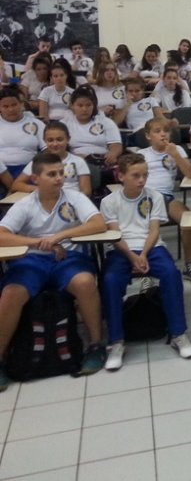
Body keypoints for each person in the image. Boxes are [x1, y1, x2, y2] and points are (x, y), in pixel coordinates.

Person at [0, 152, 109, 388]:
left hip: (67, 258)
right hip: (32, 261)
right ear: (36, 179)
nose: (59, 178)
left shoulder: (74, 197)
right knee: (11, 293)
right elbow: (2, 235)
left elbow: (98, 223)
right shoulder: (25, 204)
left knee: (85, 283)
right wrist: (36, 243)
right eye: (52, 174)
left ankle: (96, 346)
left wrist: (60, 236)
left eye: (61, 173)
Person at [100, 153, 191, 370]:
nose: (142, 180)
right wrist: (132, 256)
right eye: (135, 175)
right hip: (121, 249)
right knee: (110, 279)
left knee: (171, 274)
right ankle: (116, 341)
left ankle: (178, 334)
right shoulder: (109, 201)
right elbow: (115, 235)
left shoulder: (155, 196)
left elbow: (154, 230)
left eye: (145, 175)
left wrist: (143, 254)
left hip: (151, 247)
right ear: (121, 176)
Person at [138, 118, 191, 285]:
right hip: (146, 197)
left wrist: (175, 155)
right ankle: (146, 271)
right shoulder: (142, 154)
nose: (163, 134)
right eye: (157, 131)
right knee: (145, 227)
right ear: (148, 136)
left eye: (166, 130)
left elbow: (190, 174)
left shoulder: (177, 149)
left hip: (167, 197)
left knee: (188, 219)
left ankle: (189, 264)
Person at [63, 85, 123, 189]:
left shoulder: (106, 122)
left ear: (94, 106)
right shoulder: (64, 124)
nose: (84, 109)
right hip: (76, 160)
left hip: (102, 160)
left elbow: (116, 144)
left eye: (88, 105)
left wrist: (113, 154)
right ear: (72, 106)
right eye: (80, 105)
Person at [11, 121, 90, 196]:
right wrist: (40, 190)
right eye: (50, 140)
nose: (55, 144)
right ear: (44, 141)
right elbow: (16, 185)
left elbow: (86, 191)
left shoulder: (78, 161)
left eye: (59, 139)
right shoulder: (38, 161)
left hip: (71, 203)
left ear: (68, 139)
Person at [0, 86, 46, 179]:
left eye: (14, 105)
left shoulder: (36, 124)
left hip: (28, 171)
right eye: (6, 106)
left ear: (21, 104)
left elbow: (47, 149)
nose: (11, 109)